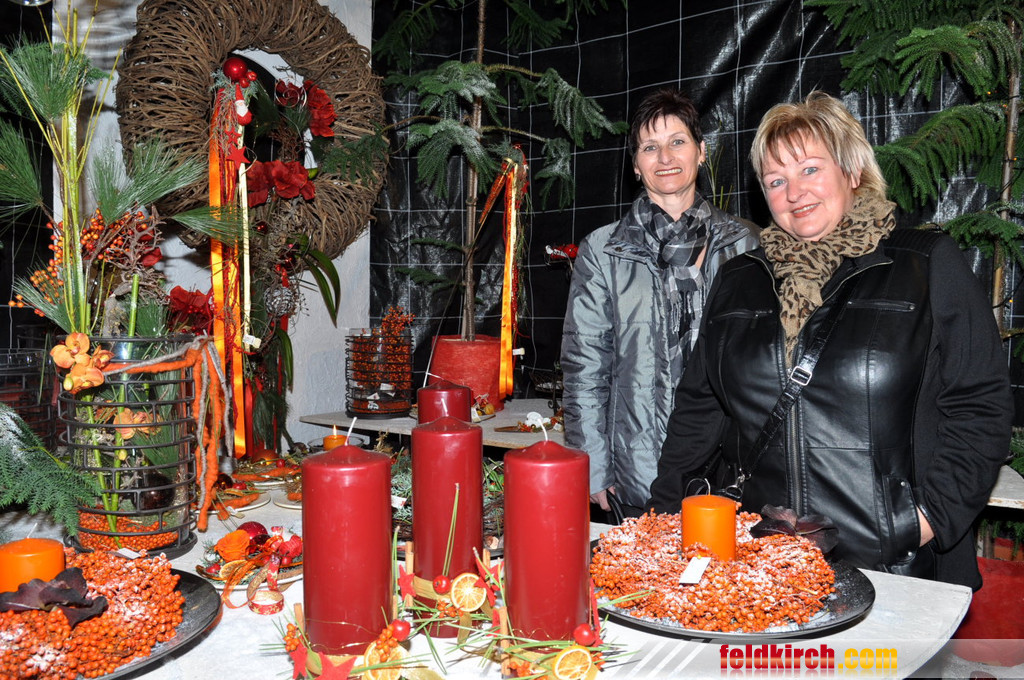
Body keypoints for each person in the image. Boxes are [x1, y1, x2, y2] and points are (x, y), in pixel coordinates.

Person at [647, 91, 1012, 588]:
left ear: (852, 171)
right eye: (776, 180)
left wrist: (924, 520)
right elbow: (699, 409)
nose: (794, 192)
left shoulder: (925, 264)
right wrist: (662, 520)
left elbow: (981, 404)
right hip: (761, 562)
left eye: (811, 170)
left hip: (892, 565)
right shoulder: (739, 278)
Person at [561, 88, 759, 520]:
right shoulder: (603, 250)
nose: (665, 157)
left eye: (677, 142)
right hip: (638, 469)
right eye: (650, 147)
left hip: (730, 466)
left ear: (701, 151)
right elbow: (585, 367)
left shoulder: (746, 243)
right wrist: (592, 464)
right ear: (635, 165)